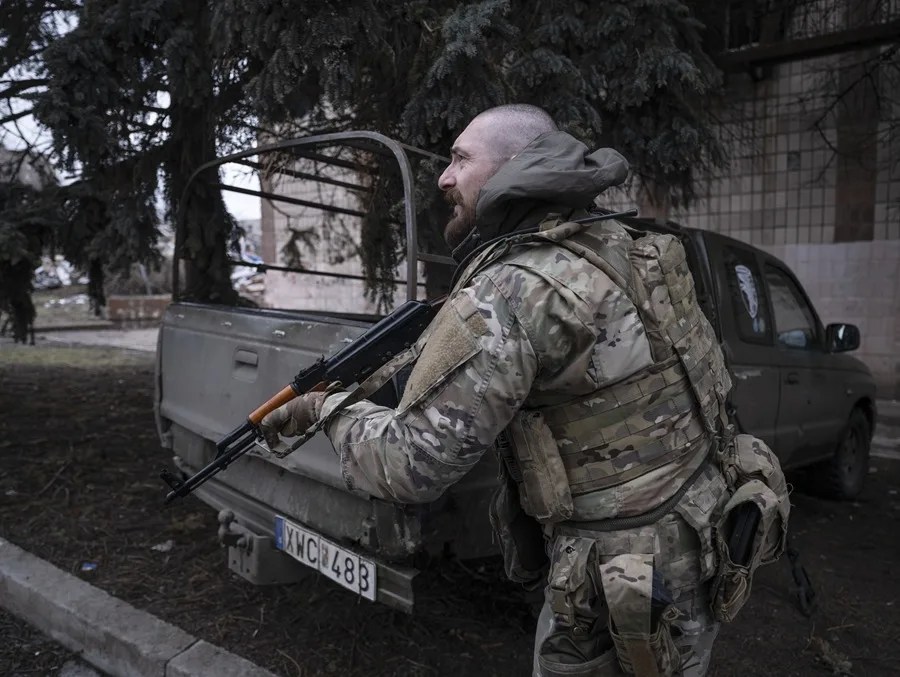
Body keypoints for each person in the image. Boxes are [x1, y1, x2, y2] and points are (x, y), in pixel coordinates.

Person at [260, 104, 787, 676]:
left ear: (514, 165)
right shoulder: (629, 244)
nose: (444, 178)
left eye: (460, 159)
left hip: (625, 586)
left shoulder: (510, 291)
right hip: (699, 532)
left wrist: (327, 409)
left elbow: (408, 467)